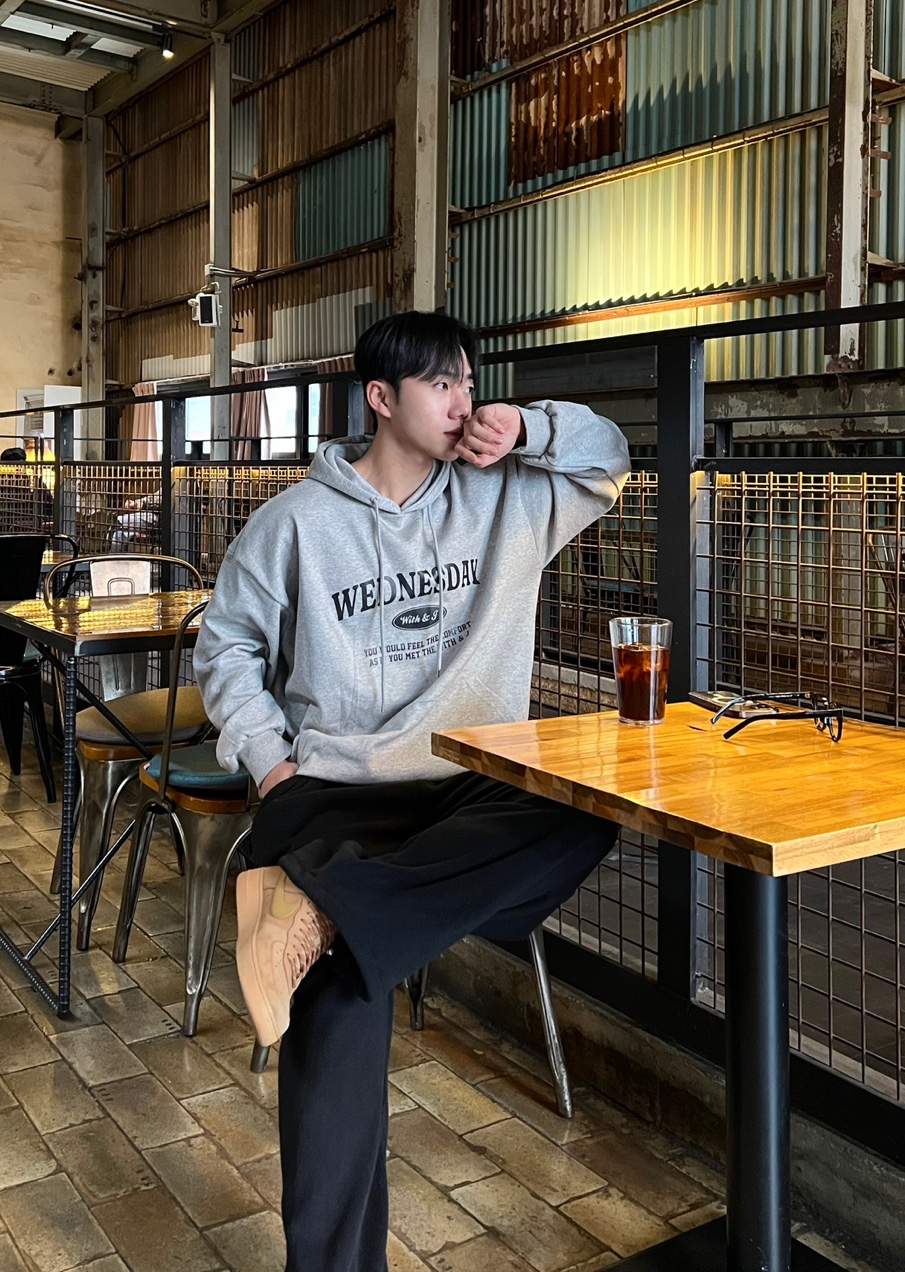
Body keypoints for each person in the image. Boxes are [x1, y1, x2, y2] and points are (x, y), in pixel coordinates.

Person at [193, 311, 631, 1272]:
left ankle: (324, 910)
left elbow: (608, 460)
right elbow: (224, 648)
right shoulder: (295, 523)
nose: (462, 402)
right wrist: (270, 764)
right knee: (342, 999)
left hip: (472, 789)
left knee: (583, 800)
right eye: (441, 384)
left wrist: (531, 427)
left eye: (468, 382)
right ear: (381, 399)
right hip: (331, 789)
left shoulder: (509, 497)